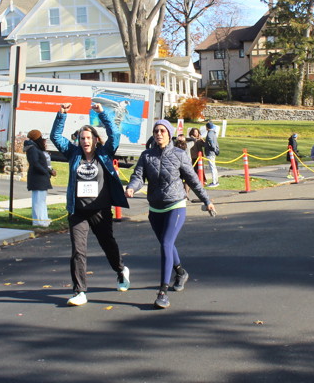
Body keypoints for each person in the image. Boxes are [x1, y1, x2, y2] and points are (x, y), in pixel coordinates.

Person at [126, 119, 215, 309]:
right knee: (166, 244)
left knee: (166, 243)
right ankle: (180, 272)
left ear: (169, 134)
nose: (159, 134)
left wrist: (207, 200)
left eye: (162, 131)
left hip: (176, 205)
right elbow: (138, 176)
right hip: (155, 208)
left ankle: (163, 292)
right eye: (156, 131)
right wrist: (132, 187)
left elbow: (193, 180)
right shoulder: (146, 155)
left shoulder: (179, 154)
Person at [51, 102, 130, 306]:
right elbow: (56, 137)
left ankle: (121, 270)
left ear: (95, 139)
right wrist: (62, 115)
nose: (85, 141)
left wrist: (102, 114)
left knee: (107, 245)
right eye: (82, 138)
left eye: (88, 138)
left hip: (100, 210)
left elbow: (115, 134)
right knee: (78, 251)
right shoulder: (73, 153)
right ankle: (80, 291)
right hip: (78, 211)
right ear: (78, 140)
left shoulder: (105, 153)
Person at [24, 129, 54, 228]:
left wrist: (49, 171)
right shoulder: (33, 149)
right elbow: (35, 163)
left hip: (40, 177)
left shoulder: (34, 148)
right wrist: (46, 172)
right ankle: (38, 221)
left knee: (41, 200)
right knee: (38, 200)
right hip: (37, 178)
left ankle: (43, 219)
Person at [203, 121, 220, 187]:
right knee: (214, 167)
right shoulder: (213, 133)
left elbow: (210, 141)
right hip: (213, 152)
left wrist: (213, 148)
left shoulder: (209, 133)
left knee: (212, 167)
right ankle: (216, 181)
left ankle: (214, 182)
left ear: (207, 127)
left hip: (210, 152)